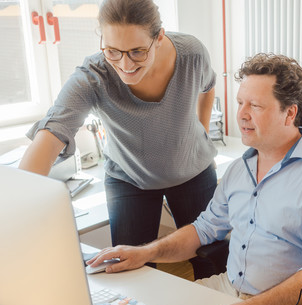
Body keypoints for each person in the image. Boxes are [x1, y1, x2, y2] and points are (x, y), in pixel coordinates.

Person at [87, 53, 302, 305]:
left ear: (289, 113)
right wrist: (146, 252)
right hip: (226, 290)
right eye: (240, 102)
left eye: (255, 106)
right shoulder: (238, 169)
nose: (241, 115)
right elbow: (205, 229)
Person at [18, 0, 218, 278]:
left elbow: (207, 87)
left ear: (159, 36)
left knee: (213, 261)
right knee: (131, 271)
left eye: (137, 51)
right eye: (112, 51)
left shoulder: (191, 53)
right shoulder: (93, 76)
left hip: (193, 172)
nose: (125, 64)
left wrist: (203, 132)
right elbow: (51, 135)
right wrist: (16, 210)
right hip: (129, 179)